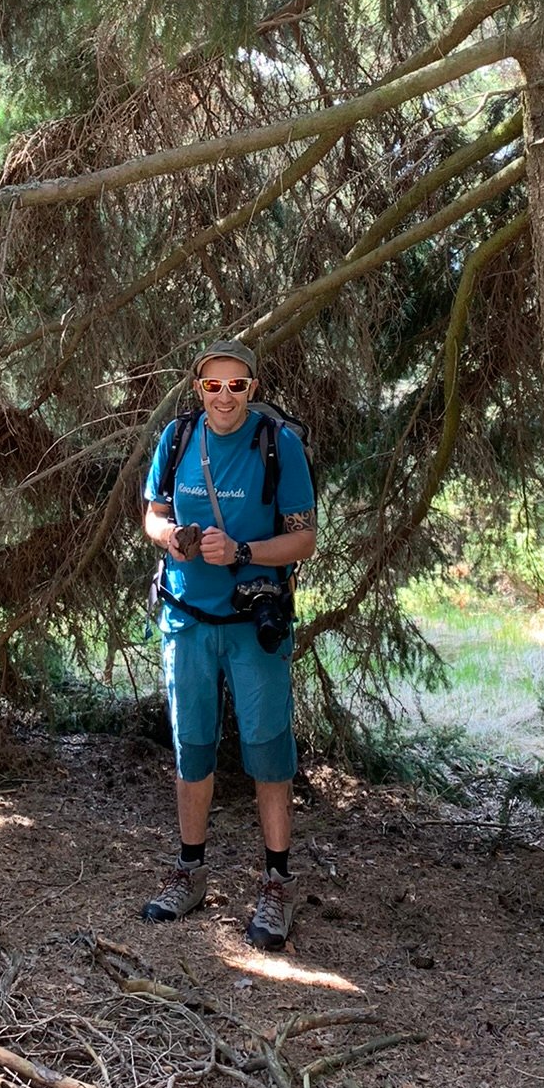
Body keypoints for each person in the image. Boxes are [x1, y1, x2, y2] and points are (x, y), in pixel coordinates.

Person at [140, 341, 317, 949]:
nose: (224, 397)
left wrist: (242, 552)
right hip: (186, 620)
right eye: (213, 386)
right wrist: (173, 538)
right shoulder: (178, 438)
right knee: (192, 748)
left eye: (236, 386)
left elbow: (303, 541)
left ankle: (276, 884)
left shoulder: (278, 445)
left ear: (253, 388)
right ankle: (189, 872)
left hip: (253, 623)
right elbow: (153, 514)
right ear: (197, 389)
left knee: (268, 751)